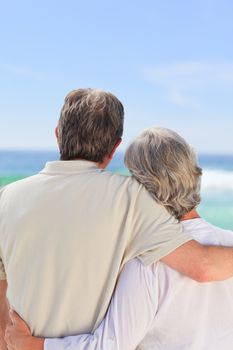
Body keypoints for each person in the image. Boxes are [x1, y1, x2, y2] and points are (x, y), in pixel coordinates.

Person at [1, 93, 233, 350]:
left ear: (57, 134)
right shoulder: (131, 202)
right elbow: (202, 265)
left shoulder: (6, 197)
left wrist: (24, 344)